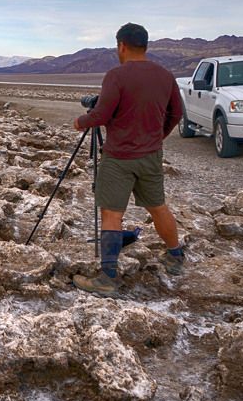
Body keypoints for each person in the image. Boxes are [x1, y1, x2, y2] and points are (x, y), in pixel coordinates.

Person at [71, 22, 185, 294]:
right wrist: (158, 137)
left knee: (111, 212)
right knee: (158, 206)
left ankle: (108, 277)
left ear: (121, 45)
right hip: (150, 155)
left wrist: (80, 121)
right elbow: (176, 113)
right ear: (145, 46)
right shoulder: (165, 75)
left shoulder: (116, 75)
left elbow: (101, 115)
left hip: (119, 156)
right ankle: (175, 256)